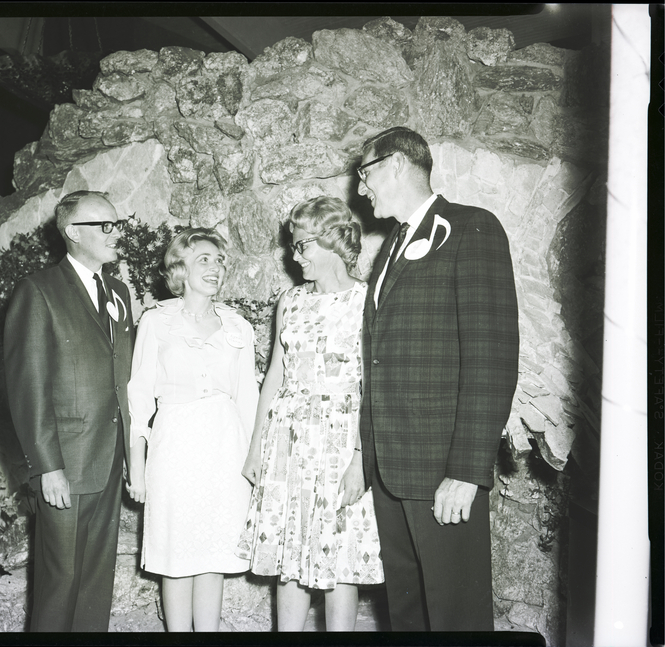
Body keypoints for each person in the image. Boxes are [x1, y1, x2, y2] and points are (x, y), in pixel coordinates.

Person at [356, 126, 519, 631]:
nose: (361, 188)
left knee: (456, 618)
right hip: (392, 466)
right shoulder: (391, 246)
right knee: (408, 614)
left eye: (365, 174)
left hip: (441, 469)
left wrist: (467, 471)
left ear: (396, 163)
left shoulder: (471, 228)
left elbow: (491, 358)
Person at [237, 197, 385, 632]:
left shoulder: (366, 301)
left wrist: (360, 458)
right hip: (289, 438)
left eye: (302, 246)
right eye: (293, 246)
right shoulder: (291, 300)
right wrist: (256, 448)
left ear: (333, 243)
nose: (295, 256)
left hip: (341, 440)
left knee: (338, 557)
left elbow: (372, 386)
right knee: (290, 553)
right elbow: (275, 376)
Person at [3, 190, 135, 632]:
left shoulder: (118, 292)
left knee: (96, 582)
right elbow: (29, 387)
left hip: (109, 458)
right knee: (60, 581)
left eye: (117, 224)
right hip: (66, 463)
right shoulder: (38, 291)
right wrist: (47, 466)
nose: (116, 233)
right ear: (73, 232)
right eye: (105, 225)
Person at [127, 228, 258, 632]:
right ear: (179, 267)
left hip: (225, 449)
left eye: (219, 261)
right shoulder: (156, 322)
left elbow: (248, 401)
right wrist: (137, 469)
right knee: (177, 556)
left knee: (213, 556)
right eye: (204, 259)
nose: (215, 267)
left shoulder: (238, 327)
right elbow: (139, 399)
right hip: (174, 446)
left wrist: (255, 462)